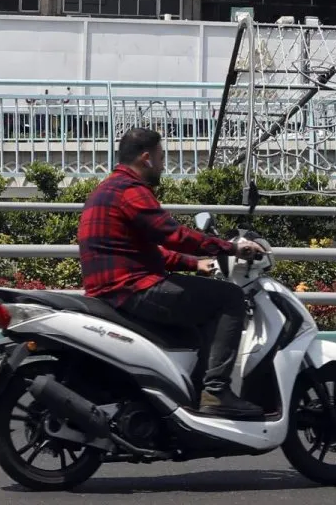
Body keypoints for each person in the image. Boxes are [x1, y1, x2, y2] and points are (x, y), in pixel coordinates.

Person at [78, 126, 267, 419]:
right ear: (146, 158)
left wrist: (194, 264)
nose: (163, 165)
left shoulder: (106, 189)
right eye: (161, 157)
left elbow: (146, 250)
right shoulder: (131, 192)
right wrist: (228, 248)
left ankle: (189, 395)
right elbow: (171, 234)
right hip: (132, 289)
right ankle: (216, 392)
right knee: (228, 298)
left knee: (199, 315)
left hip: (116, 288)